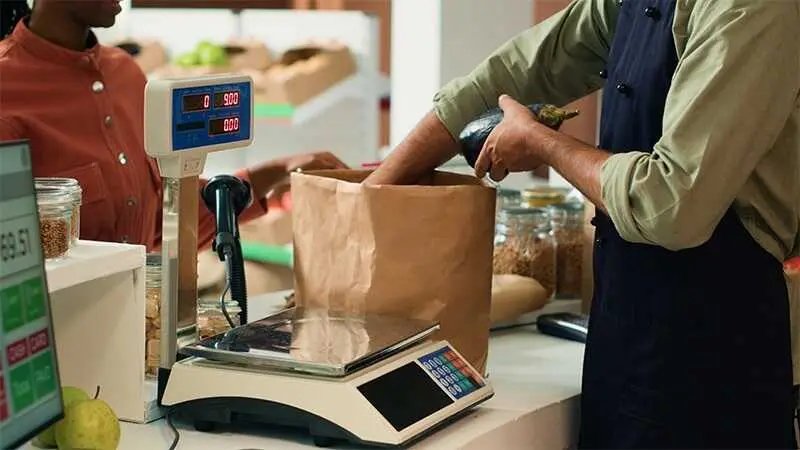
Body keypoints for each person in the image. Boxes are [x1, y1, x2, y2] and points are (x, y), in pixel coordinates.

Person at [367, 0, 800, 448]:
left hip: (720, 353)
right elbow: (511, 74)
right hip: (624, 334)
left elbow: (672, 204)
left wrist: (542, 143)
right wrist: (372, 194)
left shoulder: (754, 8)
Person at [0, 0, 347, 251]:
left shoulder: (126, 74)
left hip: (135, 327)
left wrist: (275, 174)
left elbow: (160, 220)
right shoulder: (7, 85)